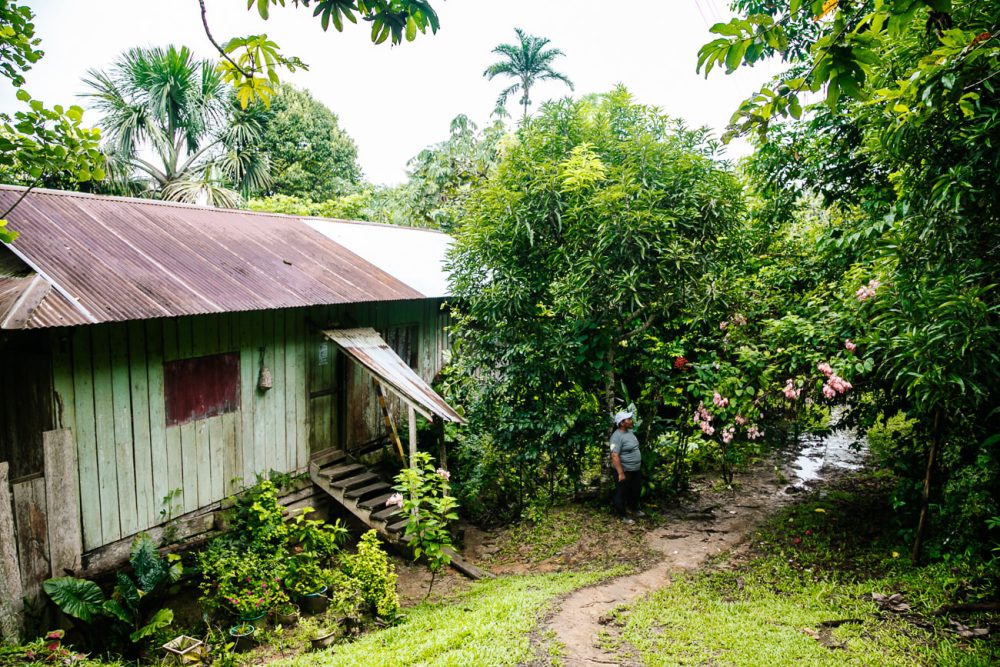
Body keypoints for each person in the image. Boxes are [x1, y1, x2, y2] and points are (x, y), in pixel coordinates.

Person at [610, 410, 643, 523]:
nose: (630, 421)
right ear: (622, 423)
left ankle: (634, 509)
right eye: (628, 419)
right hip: (624, 470)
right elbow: (614, 455)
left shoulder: (629, 432)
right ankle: (622, 515)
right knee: (621, 492)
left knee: (636, 490)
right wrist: (620, 473)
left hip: (635, 470)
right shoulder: (616, 436)